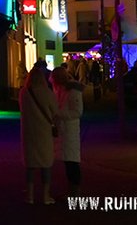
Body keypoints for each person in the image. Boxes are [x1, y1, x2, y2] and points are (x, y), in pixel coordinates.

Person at [20, 59, 59, 205]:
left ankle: (30, 196)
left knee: (30, 165)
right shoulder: (47, 93)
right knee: (45, 164)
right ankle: (45, 196)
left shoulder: (24, 93)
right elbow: (55, 111)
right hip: (44, 132)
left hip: (29, 132)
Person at [52, 65, 85, 197]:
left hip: (69, 130)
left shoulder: (72, 91)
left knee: (72, 162)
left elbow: (77, 111)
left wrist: (58, 114)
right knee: (69, 161)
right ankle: (73, 190)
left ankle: (75, 190)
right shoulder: (64, 90)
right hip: (65, 130)